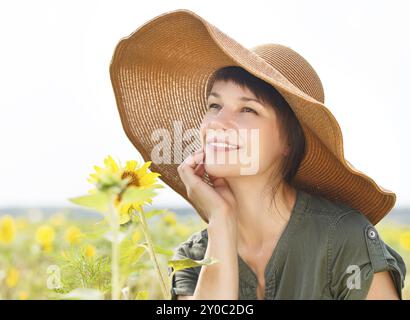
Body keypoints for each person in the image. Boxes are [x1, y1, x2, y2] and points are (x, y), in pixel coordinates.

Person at [109, 9, 406, 300]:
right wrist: (221, 222)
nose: (218, 123)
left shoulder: (344, 239)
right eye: (214, 106)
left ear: (288, 142)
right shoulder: (195, 257)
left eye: (248, 109)